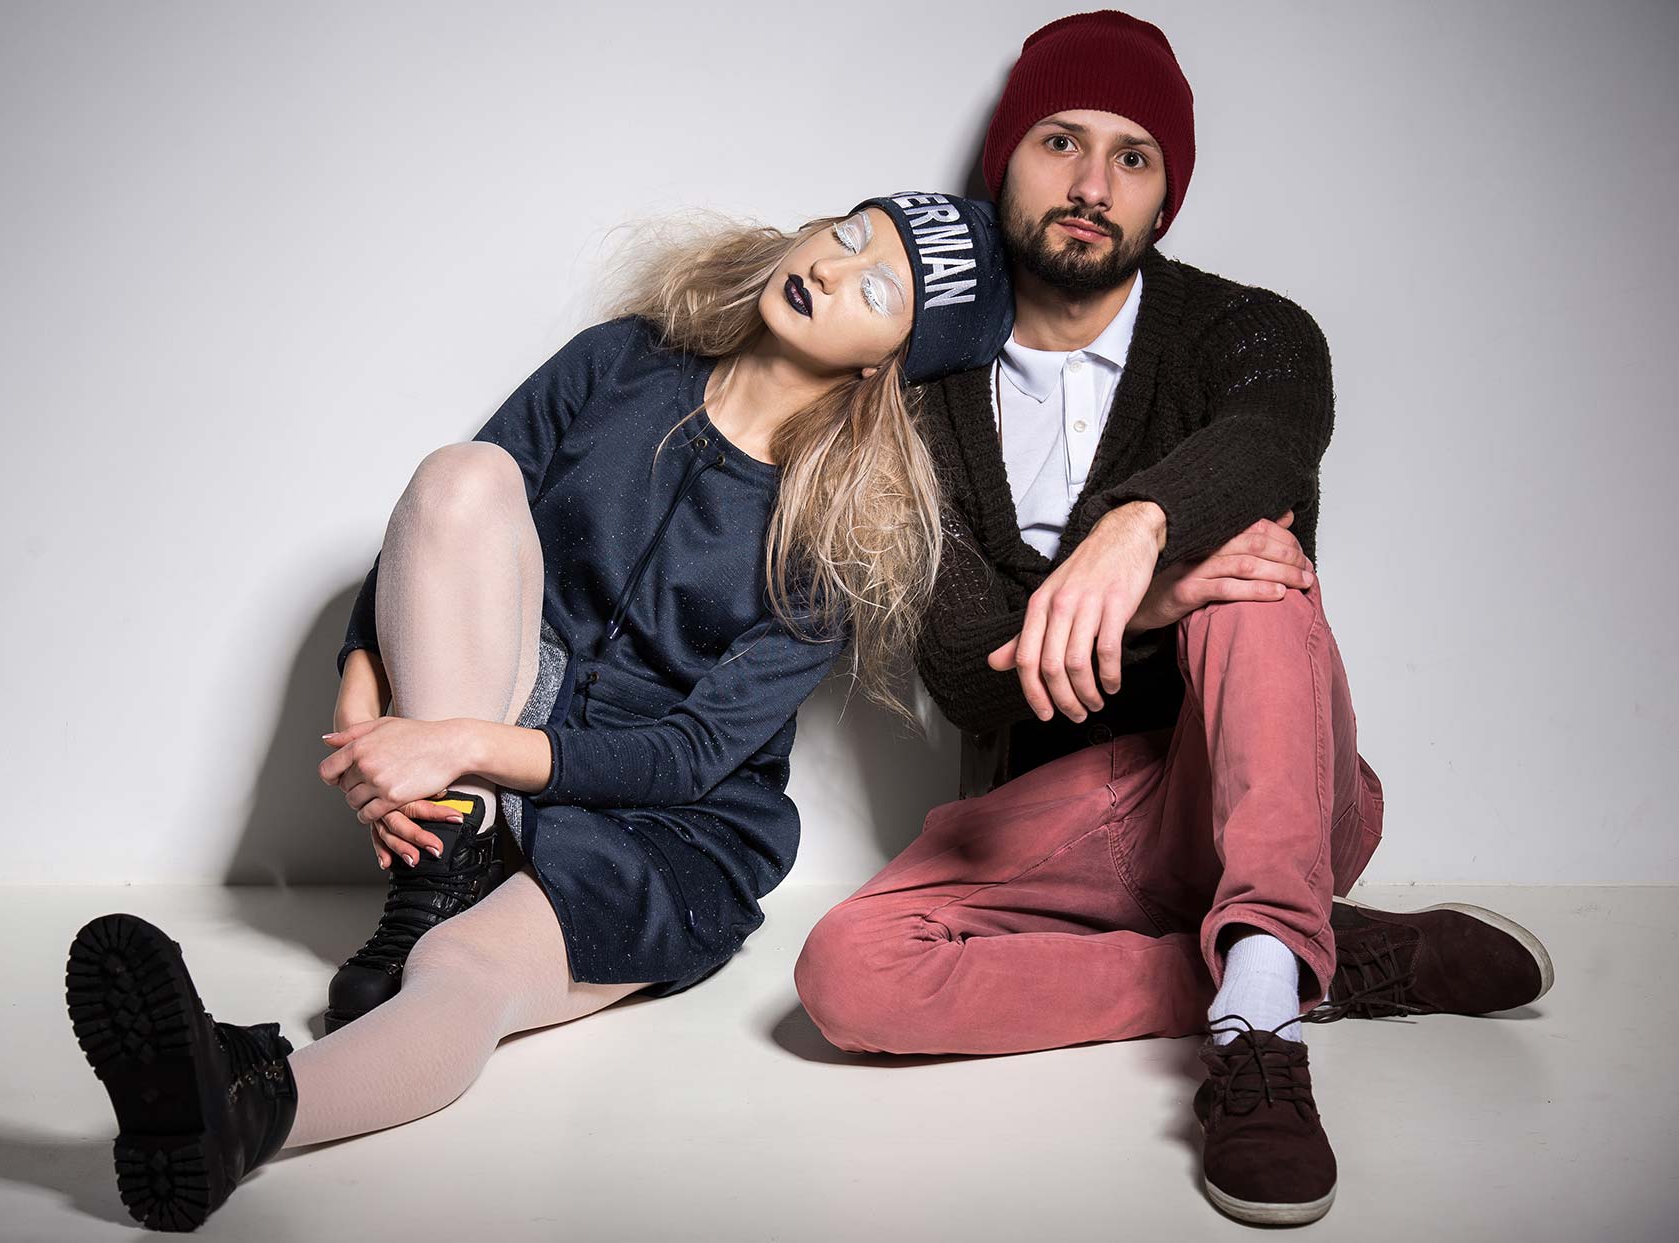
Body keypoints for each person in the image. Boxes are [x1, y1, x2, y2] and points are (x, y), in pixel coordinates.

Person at [61, 189, 1014, 1231]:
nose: (832, 269)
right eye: (848, 233)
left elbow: (691, 753)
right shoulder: (626, 359)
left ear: (886, 363)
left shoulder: (838, 533)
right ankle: (442, 867)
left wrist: (452, 744)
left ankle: (244, 1109)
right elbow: (437, 525)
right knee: (464, 472)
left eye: (877, 290)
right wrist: (365, 691)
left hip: (667, 829)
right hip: (501, 706)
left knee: (457, 974)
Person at [792, 11, 1554, 1228]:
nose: (1093, 185)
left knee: (1256, 568)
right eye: (1061, 141)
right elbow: (973, 678)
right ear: (1004, 162)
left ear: (1165, 196)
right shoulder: (923, 394)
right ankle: (1293, 959)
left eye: (1133, 157)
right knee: (845, 975)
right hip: (1066, 832)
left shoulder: (1247, 333)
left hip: (1269, 788)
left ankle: (1257, 1030)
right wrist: (1148, 600)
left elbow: (1268, 440)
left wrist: (1137, 528)